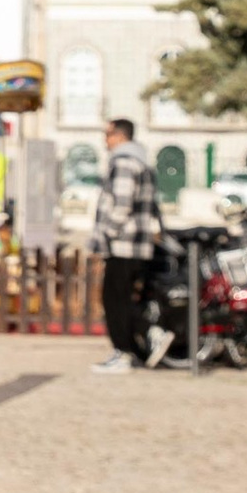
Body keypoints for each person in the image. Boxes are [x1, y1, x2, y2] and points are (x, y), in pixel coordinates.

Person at [91, 114, 161, 369]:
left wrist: (107, 234)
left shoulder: (124, 162)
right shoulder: (140, 161)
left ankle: (124, 351)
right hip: (136, 242)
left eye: (107, 135)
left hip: (123, 243)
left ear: (119, 136)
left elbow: (121, 204)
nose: (105, 141)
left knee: (114, 300)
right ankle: (132, 349)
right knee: (124, 298)